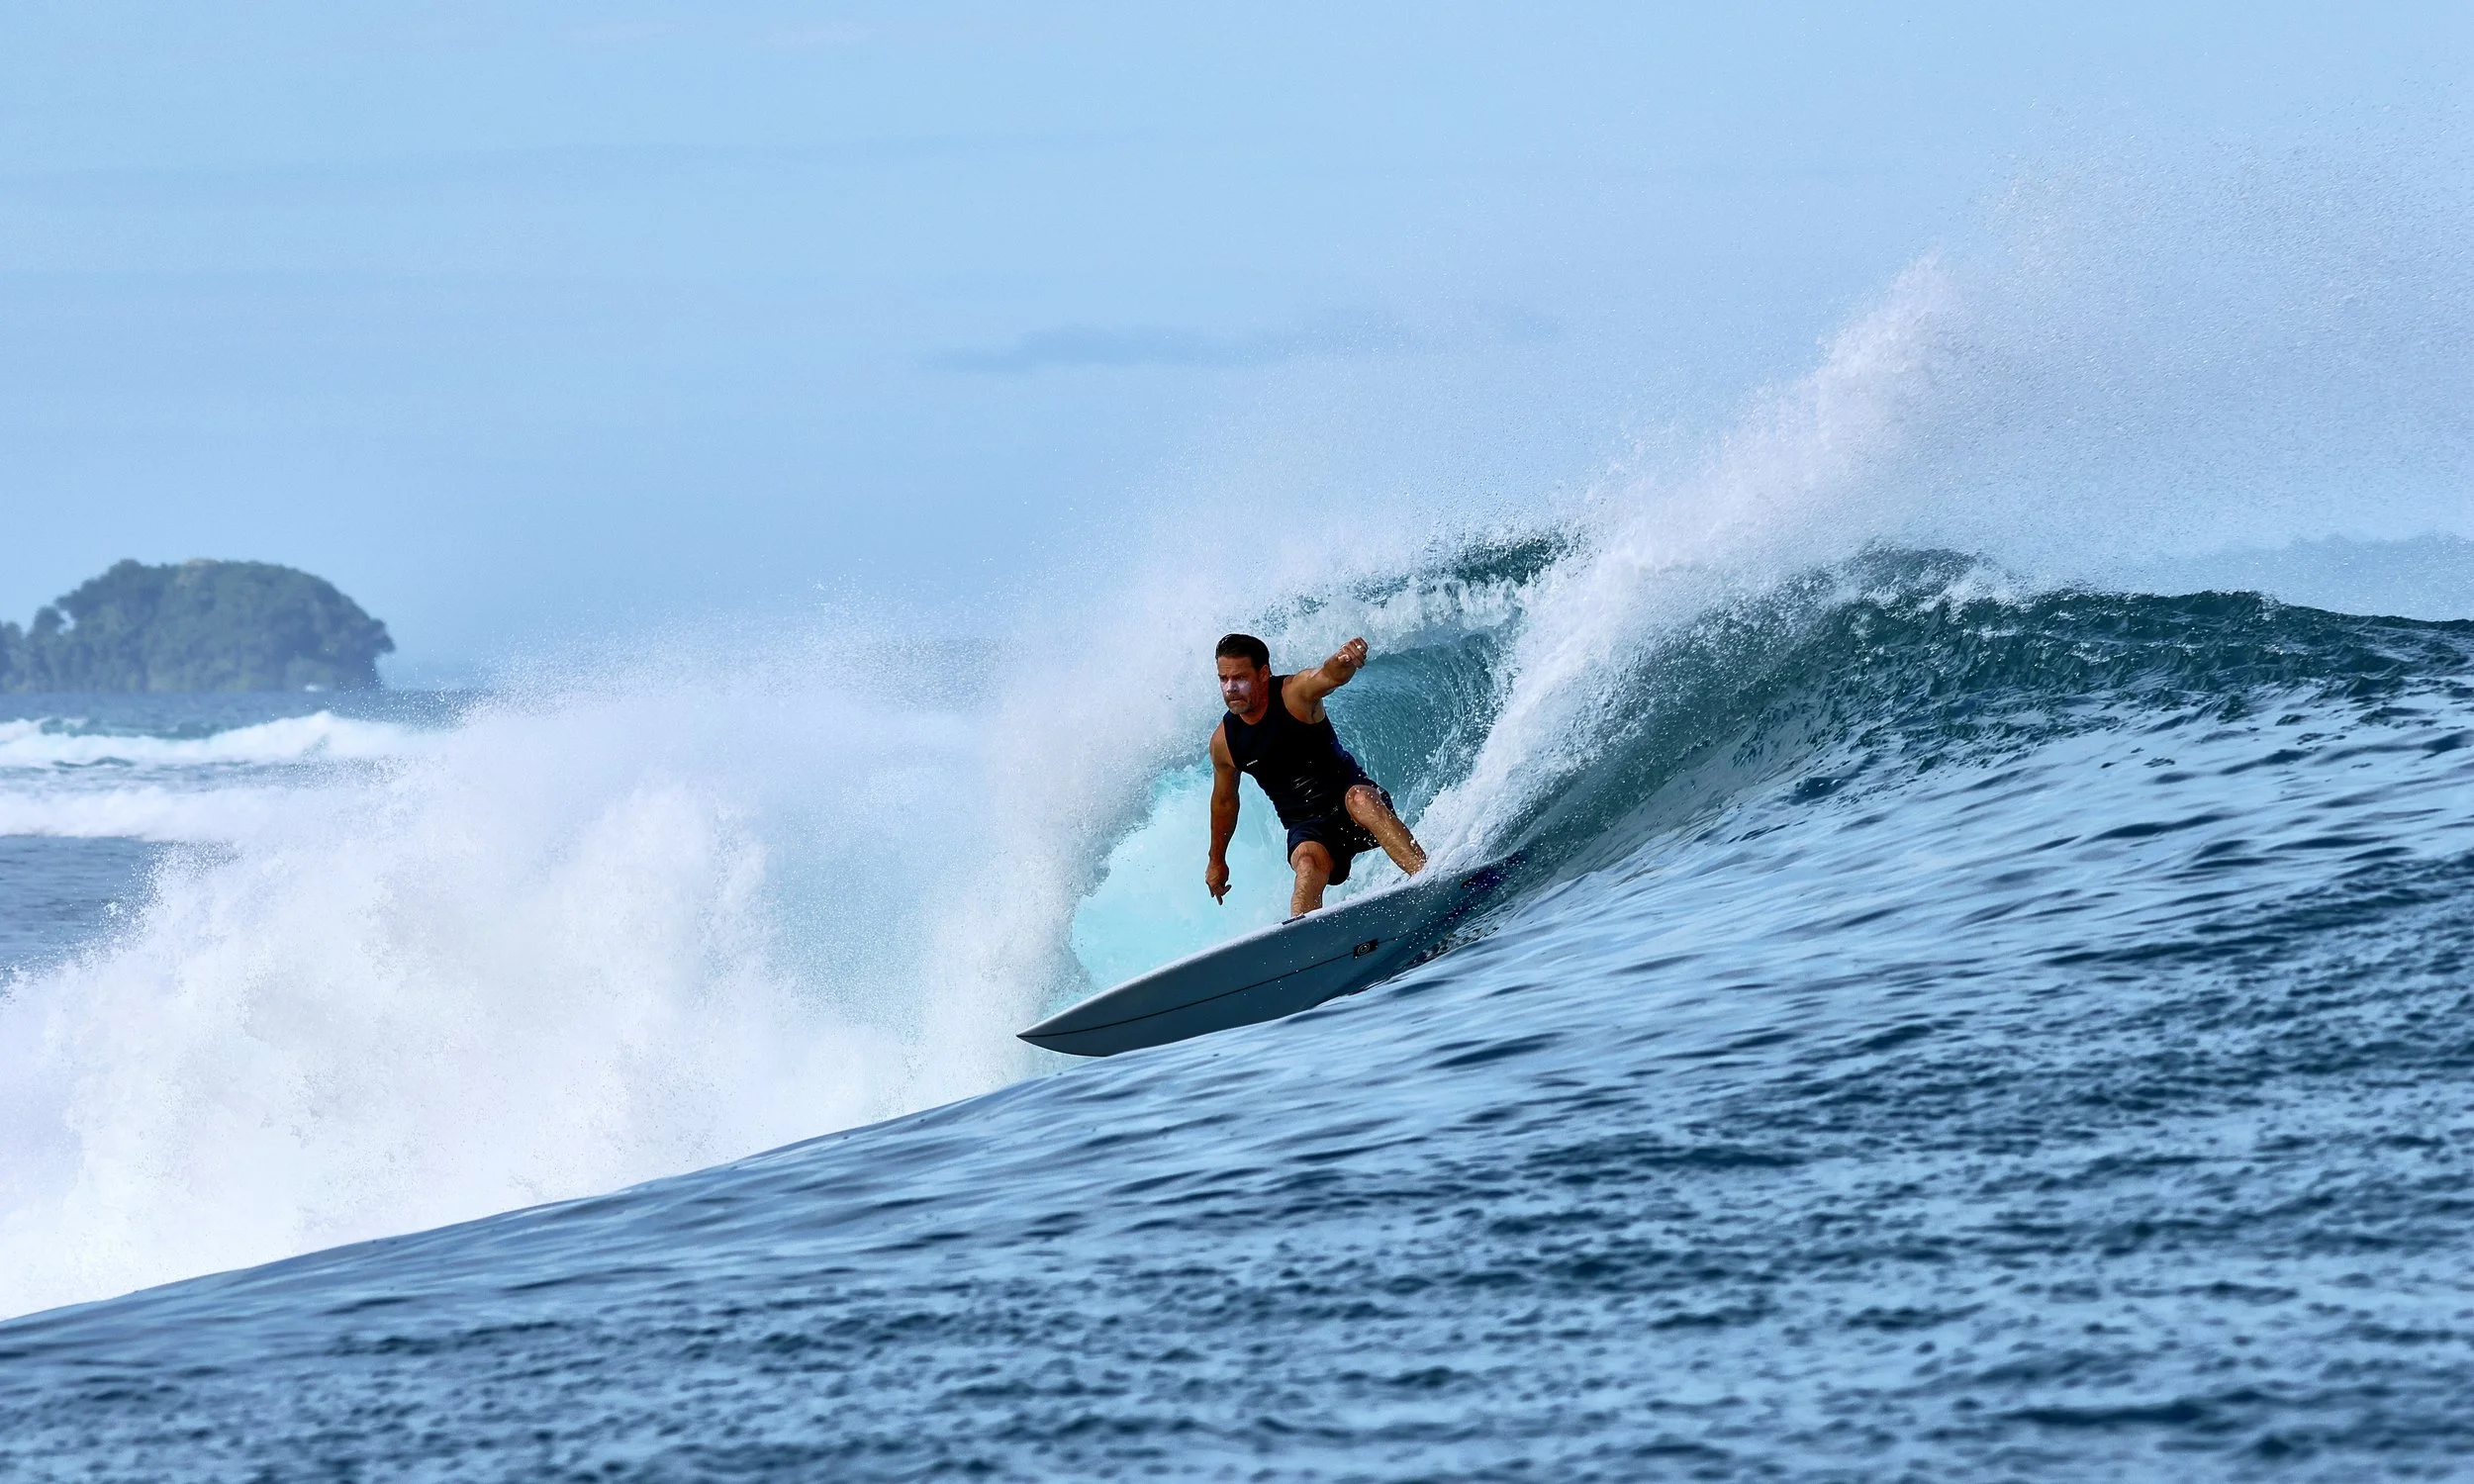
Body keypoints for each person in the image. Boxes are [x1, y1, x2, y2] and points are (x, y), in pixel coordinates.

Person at [1206, 632, 1427, 916]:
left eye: (1239, 678)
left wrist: (1344, 660)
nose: (1230, 688)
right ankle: (1304, 939)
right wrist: (1217, 860)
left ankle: (1427, 878)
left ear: (1263, 674)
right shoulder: (1225, 742)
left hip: (1352, 803)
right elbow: (1224, 802)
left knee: (1361, 798)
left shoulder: (1293, 694)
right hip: (1308, 828)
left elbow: (1328, 676)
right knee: (1307, 864)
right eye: (1224, 679)